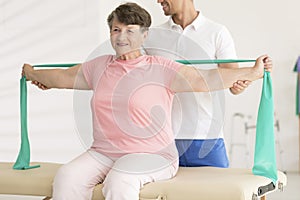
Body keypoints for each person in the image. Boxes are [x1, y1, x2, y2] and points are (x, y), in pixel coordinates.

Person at [22, 2, 272, 200]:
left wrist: (252, 72)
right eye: (116, 30)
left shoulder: (161, 67)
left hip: (154, 153)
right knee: (67, 177)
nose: (121, 37)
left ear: (145, 36)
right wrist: (32, 73)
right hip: (104, 152)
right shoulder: (99, 67)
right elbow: (63, 76)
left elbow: (205, 78)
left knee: (120, 180)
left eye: (130, 31)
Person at [144, 0, 250, 168]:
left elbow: (233, 82)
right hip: (164, 139)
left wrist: (240, 84)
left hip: (207, 138)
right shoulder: (151, 36)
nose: (158, 1)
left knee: (218, 194)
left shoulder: (217, 32)